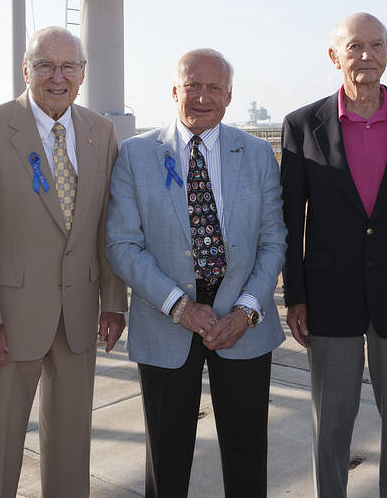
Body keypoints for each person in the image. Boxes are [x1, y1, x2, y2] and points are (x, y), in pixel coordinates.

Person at [280, 12, 387, 498]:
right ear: (334, 56)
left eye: (376, 46)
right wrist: (296, 296)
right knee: (330, 424)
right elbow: (292, 223)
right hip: (330, 299)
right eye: (354, 46)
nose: (366, 56)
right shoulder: (302, 126)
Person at [0, 26, 127, 497]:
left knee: (72, 444)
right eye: (45, 65)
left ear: (83, 73)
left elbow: (107, 227)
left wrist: (114, 302)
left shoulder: (99, 131)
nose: (57, 77)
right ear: (25, 69)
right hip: (8, 321)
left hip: (78, 316)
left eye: (68, 66)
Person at [105, 48, 286, 498]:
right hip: (165, 323)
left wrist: (245, 312)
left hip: (242, 327)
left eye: (214, 89)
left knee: (247, 458)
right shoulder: (134, 154)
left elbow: (274, 241)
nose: (202, 97)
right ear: (174, 91)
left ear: (228, 97)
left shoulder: (259, 153)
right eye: (193, 86)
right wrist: (179, 306)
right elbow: (123, 245)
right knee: (166, 463)